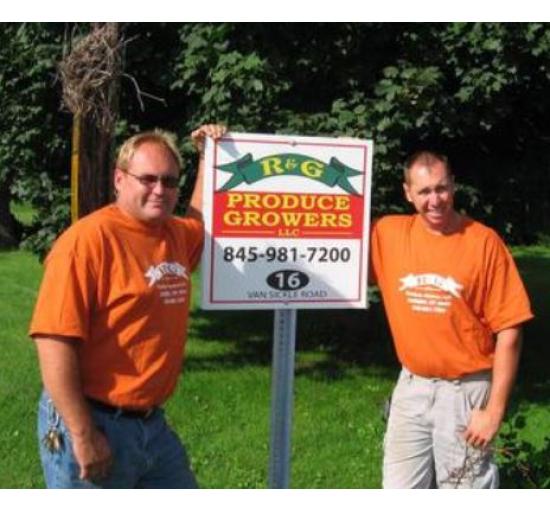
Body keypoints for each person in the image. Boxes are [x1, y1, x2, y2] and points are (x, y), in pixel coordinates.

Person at [29, 123, 226, 488]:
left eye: (169, 181)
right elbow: (53, 342)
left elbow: (201, 218)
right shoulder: (86, 243)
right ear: (119, 179)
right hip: (93, 420)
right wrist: (84, 435)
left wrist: (207, 156)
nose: (159, 190)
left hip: (151, 425)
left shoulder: (175, 234)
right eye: (147, 179)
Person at [370, 151, 533, 489]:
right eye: (425, 191)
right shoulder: (387, 234)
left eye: (442, 189)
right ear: (407, 192)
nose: (435, 200)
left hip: (465, 392)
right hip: (411, 387)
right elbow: (329, 229)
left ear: (454, 186)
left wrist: (494, 411)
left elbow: (510, 331)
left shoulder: (483, 242)